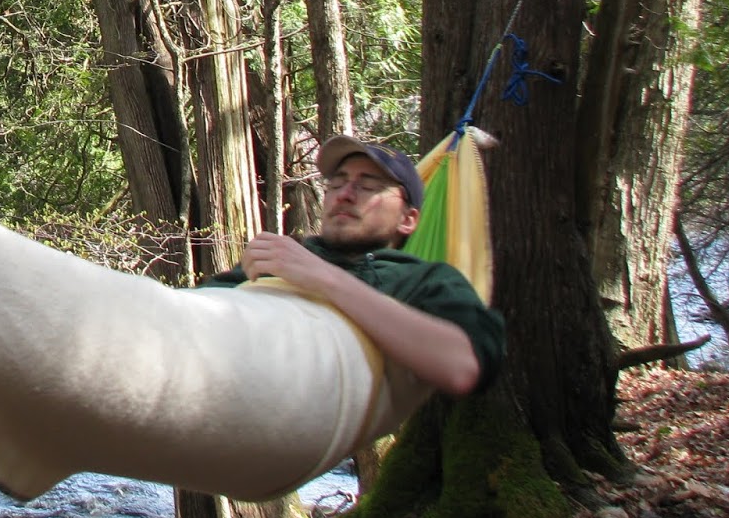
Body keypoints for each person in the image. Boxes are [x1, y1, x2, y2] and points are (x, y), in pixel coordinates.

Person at [202, 135, 505, 398]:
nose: (345, 194)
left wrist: (324, 280)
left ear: (408, 219)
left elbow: (463, 366)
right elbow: (188, 321)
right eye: (337, 183)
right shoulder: (283, 260)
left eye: (369, 186)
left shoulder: (423, 279)